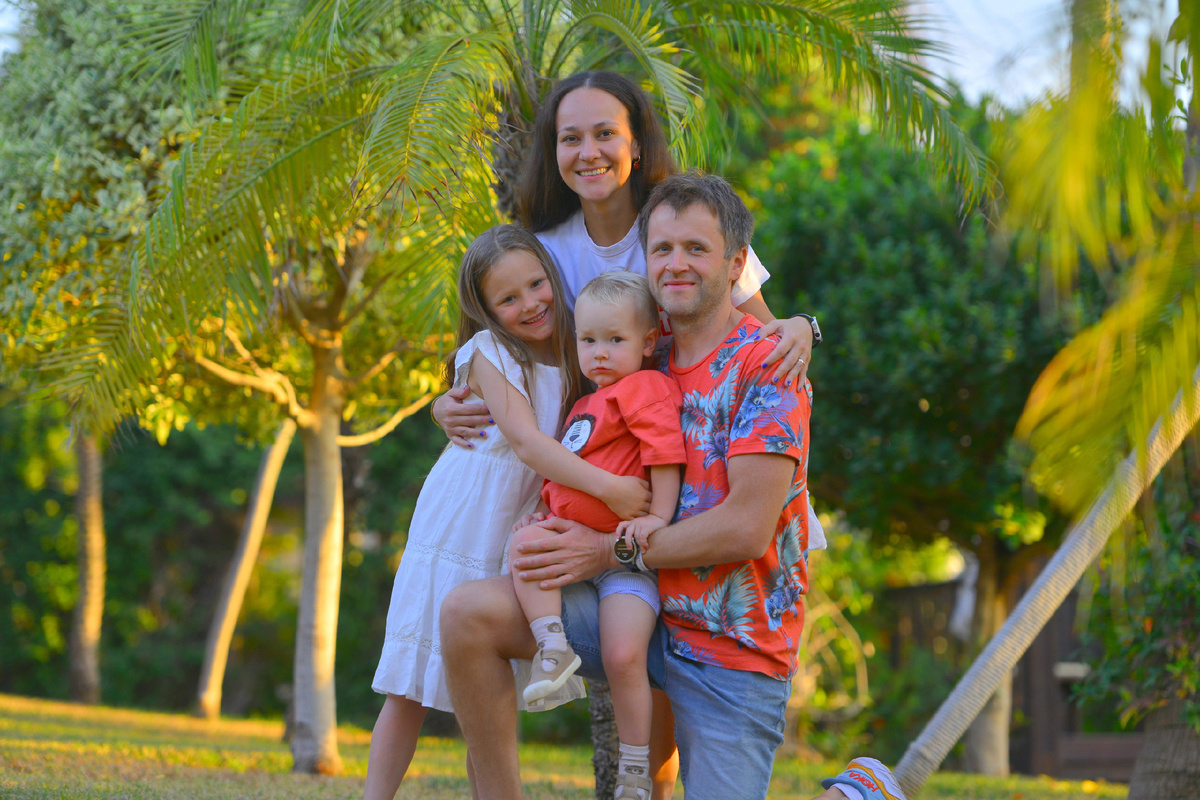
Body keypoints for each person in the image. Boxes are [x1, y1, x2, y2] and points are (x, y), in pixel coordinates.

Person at [439, 173, 908, 800]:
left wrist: (605, 551)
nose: (676, 264)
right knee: (467, 614)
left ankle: (856, 792)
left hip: (730, 647)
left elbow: (746, 529)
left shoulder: (767, 366)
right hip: (642, 611)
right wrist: (450, 401)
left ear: (736, 264)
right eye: (662, 249)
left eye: (696, 249)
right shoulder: (640, 351)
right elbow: (539, 385)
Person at [362, 225, 653, 800]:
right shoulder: (489, 352)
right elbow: (524, 442)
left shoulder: (581, 346)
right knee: (411, 685)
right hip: (467, 517)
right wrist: (613, 491)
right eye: (509, 298)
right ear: (486, 310)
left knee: (484, 687)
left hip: (522, 520)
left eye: (537, 284)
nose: (531, 303)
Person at [431, 70, 822, 449]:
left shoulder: (689, 229)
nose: (589, 153)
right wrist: (445, 405)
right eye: (571, 138)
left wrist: (803, 326)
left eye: (605, 134)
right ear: (555, 152)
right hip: (598, 451)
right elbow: (507, 363)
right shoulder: (543, 257)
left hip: (704, 436)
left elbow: (770, 338)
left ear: (636, 145)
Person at [510, 271, 686, 800]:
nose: (600, 353)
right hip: (573, 544)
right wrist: (540, 513)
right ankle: (552, 647)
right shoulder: (584, 405)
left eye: (615, 339)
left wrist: (658, 517)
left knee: (623, 655)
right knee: (523, 547)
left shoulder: (644, 388)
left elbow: (665, 455)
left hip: (624, 562)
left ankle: (634, 770)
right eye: (588, 340)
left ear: (648, 342)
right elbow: (566, 474)